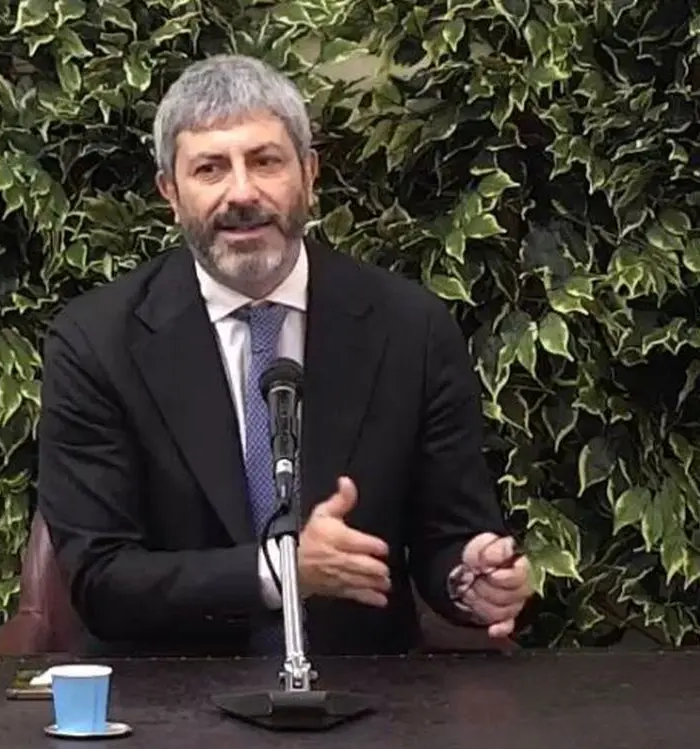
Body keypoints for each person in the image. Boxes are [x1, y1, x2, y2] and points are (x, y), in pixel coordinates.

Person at [37, 54, 533, 657]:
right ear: (171, 193)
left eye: (266, 161)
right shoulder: (96, 342)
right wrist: (281, 571)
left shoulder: (411, 327)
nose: (242, 193)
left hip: (366, 688)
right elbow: (101, 578)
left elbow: (448, 533)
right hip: (170, 688)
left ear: (309, 173)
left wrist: (470, 579)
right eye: (210, 169)